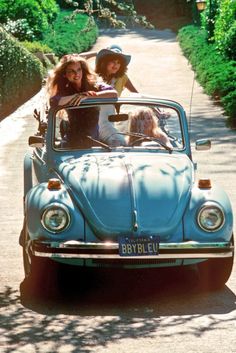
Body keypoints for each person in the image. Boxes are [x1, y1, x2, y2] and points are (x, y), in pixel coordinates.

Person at [46, 54, 117, 147]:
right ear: (64, 74)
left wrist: (88, 96)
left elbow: (113, 94)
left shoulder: (94, 85)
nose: (76, 74)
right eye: (71, 71)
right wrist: (76, 95)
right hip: (72, 139)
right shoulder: (65, 90)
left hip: (93, 138)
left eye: (79, 70)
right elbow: (54, 101)